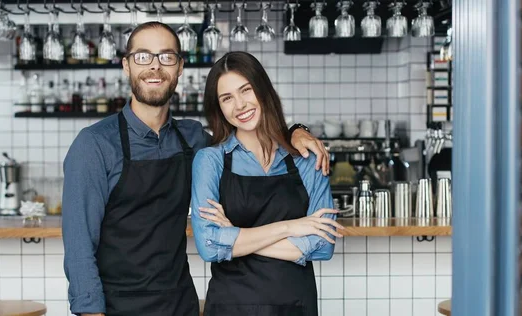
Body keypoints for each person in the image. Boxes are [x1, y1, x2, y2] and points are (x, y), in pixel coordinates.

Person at [61, 22, 330, 316]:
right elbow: (78, 244)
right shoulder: (95, 144)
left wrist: (294, 131)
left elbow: (249, 134)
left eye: (166, 57)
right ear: (126, 66)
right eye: (143, 57)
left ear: (179, 68)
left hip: (180, 303)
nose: (154, 66)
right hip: (117, 305)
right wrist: (90, 311)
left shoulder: (193, 140)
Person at [190, 51, 343, 316]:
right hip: (232, 307)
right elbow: (210, 246)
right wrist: (291, 227)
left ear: (263, 90)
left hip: (296, 306)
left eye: (246, 90)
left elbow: (322, 245)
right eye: (227, 98)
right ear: (219, 107)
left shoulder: (307, 158)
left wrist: (237, 235)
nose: (239, 105)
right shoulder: (210, 160)